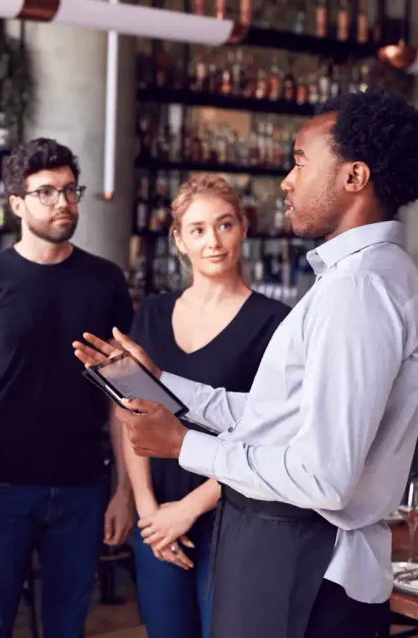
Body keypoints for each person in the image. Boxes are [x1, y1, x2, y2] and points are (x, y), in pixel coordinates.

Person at [75, 90, 418, 637]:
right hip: (287, 553)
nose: (287, 181)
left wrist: (182, 445)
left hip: (307, 563)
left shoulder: (359, 288)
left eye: (298, 160)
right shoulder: (358, 277)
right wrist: (161, 380)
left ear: (354, 176)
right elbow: (276, 415)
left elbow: (324, 477)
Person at [0, 138, 135, 638]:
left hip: (81, 485)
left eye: (71, 191)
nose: (63, 203)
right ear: (17, 204)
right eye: (47, 192)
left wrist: (124, 489)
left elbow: (121, 394)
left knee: (67, 628)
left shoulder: (105, 280)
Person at [125, 174, 290, 638]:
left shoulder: (276, 323)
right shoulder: (151, 313)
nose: (213, 242)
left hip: (234, 517)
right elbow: (130, 415)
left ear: (243, 228)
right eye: (197, 230)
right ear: (179, 240)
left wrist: (187, 510)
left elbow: (270, 434)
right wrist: (149, 512)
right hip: (156, 516)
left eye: (224, 225)